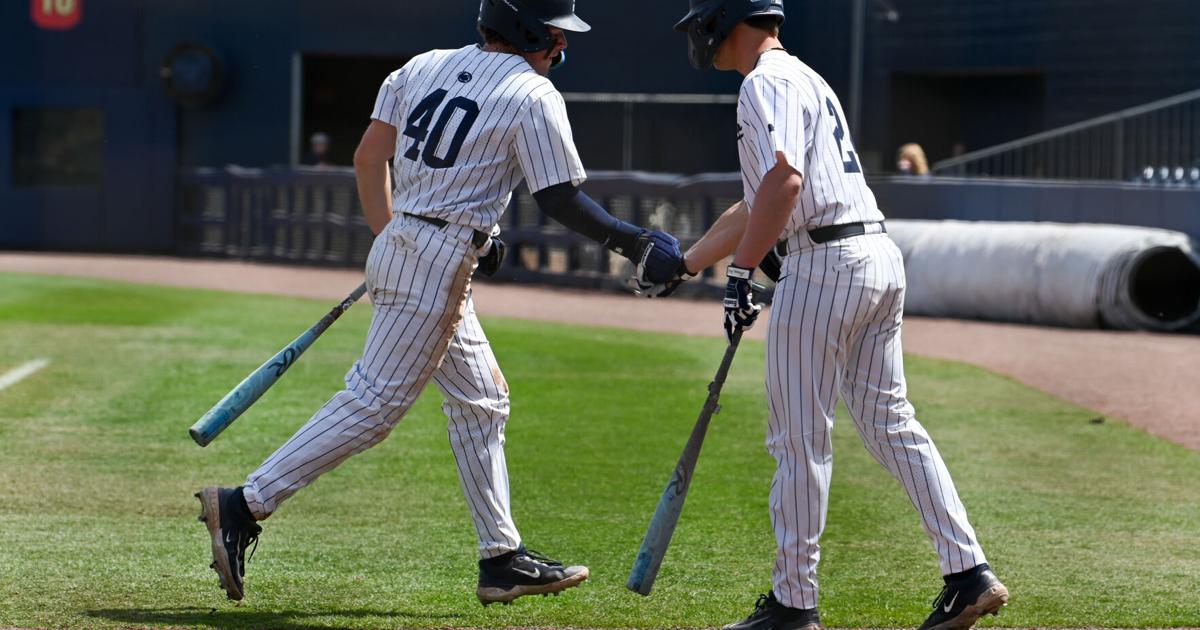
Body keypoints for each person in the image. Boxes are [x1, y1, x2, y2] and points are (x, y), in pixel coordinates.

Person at [196, 0, 683, 607]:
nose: (561, 45)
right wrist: (633, 242)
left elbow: (368, 158)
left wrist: (399, 243)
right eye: (556, 32)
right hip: (437, 254)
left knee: (483, 402)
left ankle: (501, 559)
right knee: (374, 404)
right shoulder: (531, 93)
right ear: (526, 27)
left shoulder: (423, 65)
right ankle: (245, 504)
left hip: (411, 237)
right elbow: (559, 197)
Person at [644, 2, 1010, 629]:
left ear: (723, 22)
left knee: (799, 442)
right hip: (873, 256)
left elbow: (783, 185)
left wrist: (741, 274)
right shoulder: (805, 77)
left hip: (823, 266)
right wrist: (691, 263)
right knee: (892, 425)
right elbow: (762, 196)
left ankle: (794, 602)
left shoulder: (764, 82)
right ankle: (968, 572)